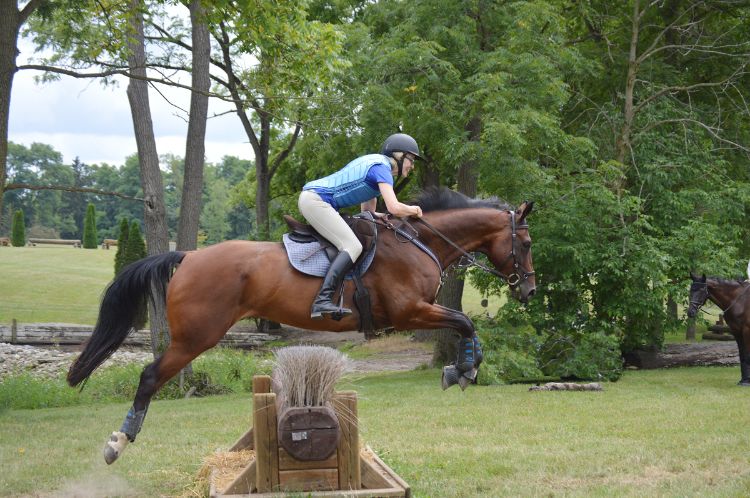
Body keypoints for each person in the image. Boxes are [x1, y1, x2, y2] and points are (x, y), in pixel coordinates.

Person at [299, 133, 424, 319]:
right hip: (316, 201)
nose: (412, 166)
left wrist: (379, 216)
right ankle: (322, 300)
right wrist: (414, 210)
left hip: (315, 200)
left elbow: (368, 211)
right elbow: (394, 207)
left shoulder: (377, 166)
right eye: (411, 159)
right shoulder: (382, 169)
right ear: (398, 155)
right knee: (352, 246)